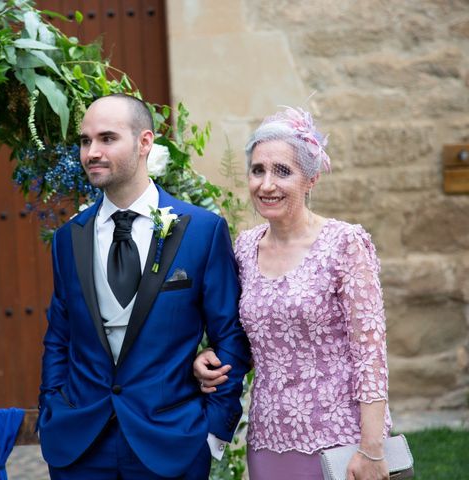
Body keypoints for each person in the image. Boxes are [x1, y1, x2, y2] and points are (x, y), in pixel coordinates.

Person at [37, 93, 251, 479]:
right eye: (85, 141)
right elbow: (59, 336)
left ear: (145, 142)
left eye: (107, 138)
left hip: (172, 442)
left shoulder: (201, 230)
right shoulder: (69, 239)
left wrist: (215, 431)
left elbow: (231, 335)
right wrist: (52, 406)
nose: (92, 152)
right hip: (79, 448)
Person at [194, 107, 392, 480]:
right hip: (269, 437)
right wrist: (211, 356)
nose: (266, 184)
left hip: (342, 438)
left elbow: (370, 354)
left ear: (310, 179)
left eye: (282, 171)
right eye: (258, 170)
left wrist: (372, 447)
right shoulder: (245, 248)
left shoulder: (345, 244)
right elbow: (248, 338)